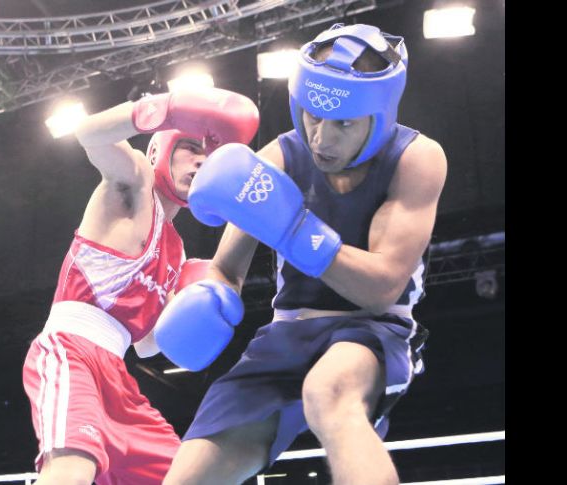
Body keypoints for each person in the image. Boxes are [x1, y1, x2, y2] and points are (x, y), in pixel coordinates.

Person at [156, 23, 447, 485]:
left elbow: (380, 288)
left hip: (372, 328)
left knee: (327, 392)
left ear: (379, 115)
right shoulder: (280, 157)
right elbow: (226, 268)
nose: (321, 139)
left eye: (343, 123)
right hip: (284, 334)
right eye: (312, 115)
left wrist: (293, 228)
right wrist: (213, 296)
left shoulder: (416, 158)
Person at [20, 87, 259, 485]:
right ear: (159, 151)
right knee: (71, 472)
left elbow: (147, 345)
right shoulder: (134, 182)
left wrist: (195, 303)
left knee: (186, 478)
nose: (201, 160)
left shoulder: (177, 255)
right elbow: (88, 133)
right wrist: (162, 108)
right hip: (70, 350)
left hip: (118, 375)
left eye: (208, 155)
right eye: (190, 148)